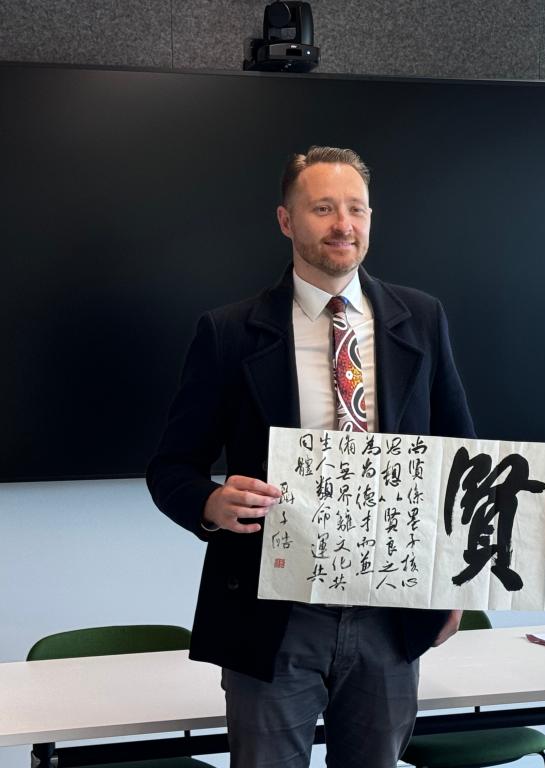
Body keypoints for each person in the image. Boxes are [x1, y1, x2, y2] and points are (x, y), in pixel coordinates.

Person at [147, 146, 475, 767]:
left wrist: (456, 580)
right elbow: (170, 469)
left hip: (390, 607)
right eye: (322, 208)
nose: (342, 225)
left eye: (356, 209)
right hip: (274, 610)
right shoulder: (229, 332)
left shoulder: (422, 319)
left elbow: (461, 463)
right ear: (286, 220)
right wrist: (211, 503)